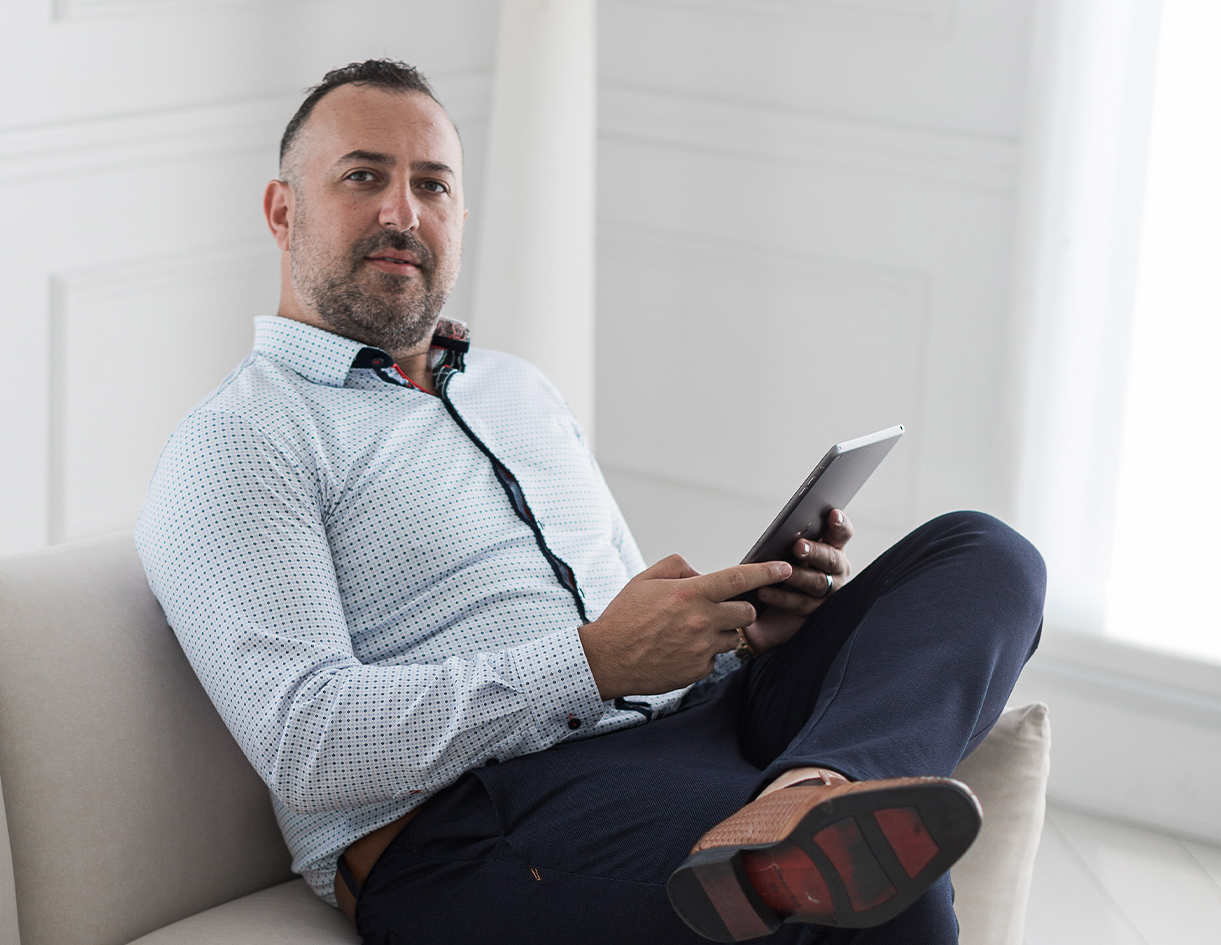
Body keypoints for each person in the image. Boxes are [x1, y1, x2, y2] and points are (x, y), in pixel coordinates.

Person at [135, 59, 1044, 944]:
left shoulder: (515, 388)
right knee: (884, 903)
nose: (402, 211)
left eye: (434, 184)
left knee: (982, 553)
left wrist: (736, 633)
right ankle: (792, 830)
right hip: (477, 822)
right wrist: (593, 663)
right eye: (363, 176)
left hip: (694, 726)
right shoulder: (241, 439)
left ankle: (810, 789)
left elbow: (626, 625)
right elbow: (307, 744)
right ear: (282, 210)